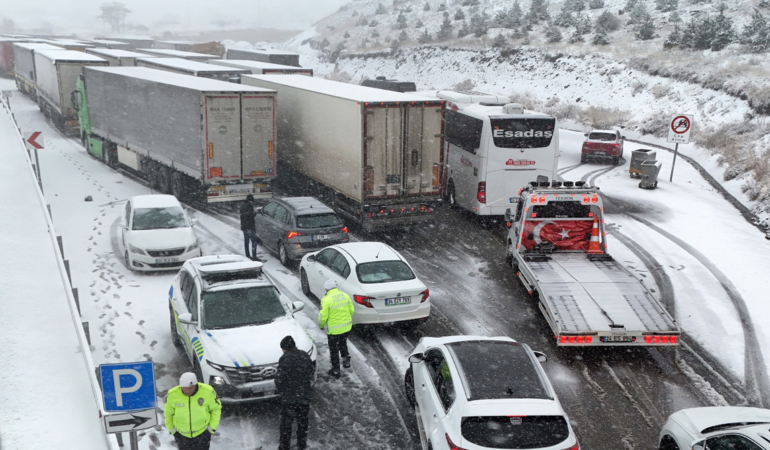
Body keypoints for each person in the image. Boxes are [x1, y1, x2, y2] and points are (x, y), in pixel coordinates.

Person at [164, 372, 222, 450]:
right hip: (181, 435)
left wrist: (211, 429)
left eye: (190, 388)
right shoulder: (172, 394)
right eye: (184, 388)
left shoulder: (208, 391)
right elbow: (168, 413)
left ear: (195, 384)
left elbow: (216, 409)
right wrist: (173, 431)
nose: (187, 391)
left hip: (202, 434)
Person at [275, 335, 314, 450]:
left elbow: (279, 379)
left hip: (290, 397)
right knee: (303, 421)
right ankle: (302, 444)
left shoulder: (285, 358)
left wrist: (282, 391)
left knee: (286, 423)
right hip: (304, 395)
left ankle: (284, 446)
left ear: (284, 348)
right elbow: (311, 372)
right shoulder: (304, 355)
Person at [318, 279, 354, 378]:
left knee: (333, 350)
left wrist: (321, 325)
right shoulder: (345, 295)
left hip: (334, 331)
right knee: (343, 343)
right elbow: (351, 310)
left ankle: (336, 370)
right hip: (347, 327)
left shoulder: (326, 299)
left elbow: (323, 316)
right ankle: (346, 360)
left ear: (326, 289)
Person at [240, 194, 259, 261]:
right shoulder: (249, 206)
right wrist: (255, 212)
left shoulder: (242, 205)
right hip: (250, 227)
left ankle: (248, 255)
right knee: (254, 242)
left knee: (246, 242)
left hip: (244, 227)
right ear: (251, 200)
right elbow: (250, 216)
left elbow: (244, 215)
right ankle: (254, 256)